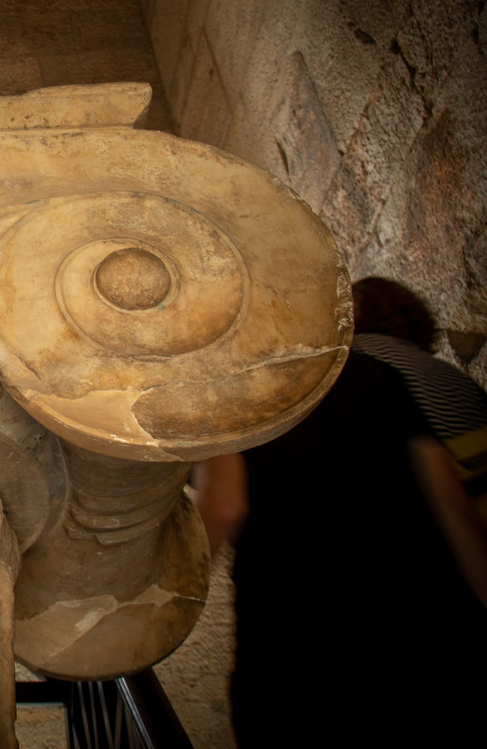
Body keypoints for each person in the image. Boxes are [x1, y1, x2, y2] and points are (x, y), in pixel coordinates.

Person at [194, 277, 487, 747]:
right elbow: (456, 511)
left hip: (305, 659)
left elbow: (224, 506)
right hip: (435, 642)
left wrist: (155, 608)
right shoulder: (378, 374)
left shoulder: (223, 393)